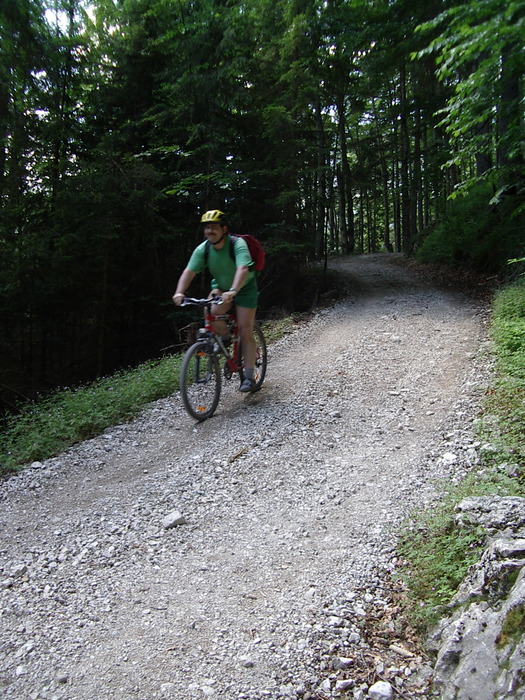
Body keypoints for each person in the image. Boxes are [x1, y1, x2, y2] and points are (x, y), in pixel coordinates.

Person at [172, 210, 259, 393]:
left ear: (224, 229)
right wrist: (179, 292)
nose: (210, 231)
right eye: (207, 227)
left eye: (214, 227)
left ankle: (249, 377)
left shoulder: (237, 244)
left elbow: (242, 268)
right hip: (220, 287)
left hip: (244, 288)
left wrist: (234, 290)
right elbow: (189, 271)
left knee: (245, 329)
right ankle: (226, 338)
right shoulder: (203, 249)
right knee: (211, 311)